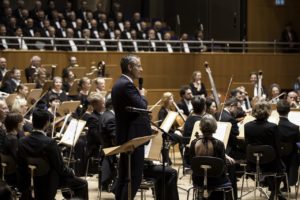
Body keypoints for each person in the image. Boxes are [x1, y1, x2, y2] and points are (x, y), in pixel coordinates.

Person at [17, 108, 88, 200]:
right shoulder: (50, 142)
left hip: (28, 180)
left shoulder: (22, 141)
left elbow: (20, 164)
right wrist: (71, 171)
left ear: (32, 122)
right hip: (49, 181)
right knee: (82, 184)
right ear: (47, 123)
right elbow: (60, 168)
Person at [111, 55, 152, 200]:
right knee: (133, 177)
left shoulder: (119, 83)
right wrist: (143, 95)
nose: (141, 69)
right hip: (133, 137)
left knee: (124, 177)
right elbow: (142, 106)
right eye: (139, 66)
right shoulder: (126, 85)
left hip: (127, 135)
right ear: (130, 67)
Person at [244, 101, 285, 200]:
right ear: (268, 112)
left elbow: (247, 144)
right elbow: (277, 147)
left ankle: (274, 191)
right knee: (282, 168)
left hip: (253, 163)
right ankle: (275, 192)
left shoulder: (247, 126)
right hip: (270, 163)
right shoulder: (272, 127)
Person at [190, 116, 231, 199]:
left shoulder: (194, 143)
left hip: (198, 180)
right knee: (231, 169)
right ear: (215, 128)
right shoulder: (219, 144)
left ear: (201, 128)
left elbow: (189, 162)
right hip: (216, 181)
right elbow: (222, 166)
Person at [277, 100, 300, 190]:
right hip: (291, 159)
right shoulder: (295, 128)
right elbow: (298, 143)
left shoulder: (274, 126)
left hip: (276, 158)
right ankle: (287, 184)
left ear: (277, 110)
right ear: (289, 110)